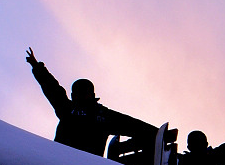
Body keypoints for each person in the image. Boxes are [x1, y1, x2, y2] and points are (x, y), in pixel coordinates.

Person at [25, 47, 156, 156]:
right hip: (63, 164)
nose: (81, 96)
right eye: (78, 93)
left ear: (90, 95)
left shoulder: (100, 115)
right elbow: (51, 87)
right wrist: (36, 66)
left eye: (83, 93)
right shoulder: (70, 109)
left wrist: (156, 133)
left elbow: (131, 124)